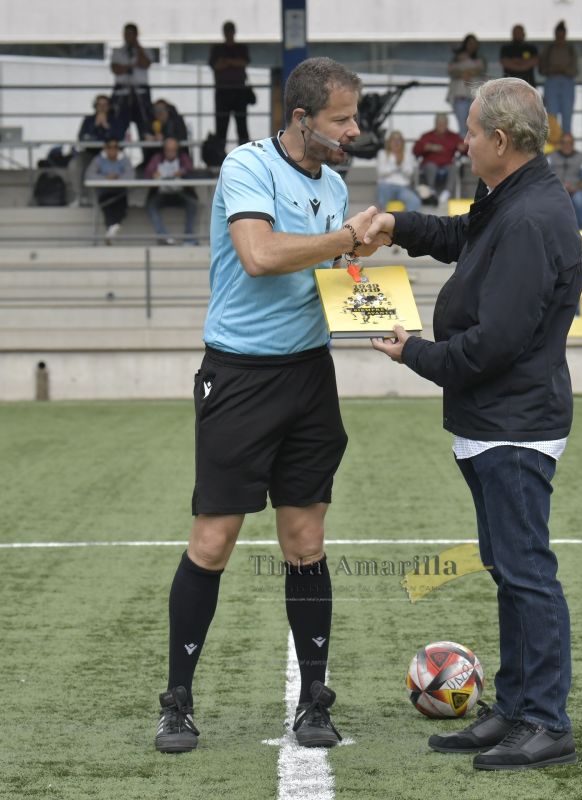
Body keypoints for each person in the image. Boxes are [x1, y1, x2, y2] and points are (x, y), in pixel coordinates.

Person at [153, 56, 379, 754]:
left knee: (305, 542)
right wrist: (346, 239)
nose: (353, 130)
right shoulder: (245, 168)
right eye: (342, 119)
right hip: (240, 378)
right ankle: (178, 701)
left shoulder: (336, 183)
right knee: (214, 542)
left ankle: (315, 699)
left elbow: (335, 275)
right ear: (302, 118)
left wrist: (377, 307)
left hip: (310, 377)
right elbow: (259, 254)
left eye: (355, 118)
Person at [364, 77, 582, 772]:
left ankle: (546, 721)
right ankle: (517, 710)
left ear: (501, 140)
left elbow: (496, 344)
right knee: (508, 569)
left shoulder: (529, 217)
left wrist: (413, 352)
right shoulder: (511, 198)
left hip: (514, 424)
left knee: (526, 574)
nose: (461, 140)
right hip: (498, 422)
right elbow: (459, 234)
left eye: (470, 130)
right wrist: (396, 225)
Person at [144, 137, 198, 245]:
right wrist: (154, 174)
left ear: (177, 150)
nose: (170, 153)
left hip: (180, 193)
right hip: (162, 193)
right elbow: (148, 172)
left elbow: (189, 168)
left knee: (192, 204)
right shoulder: (157, 158)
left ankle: (189, 237)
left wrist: (181, 172)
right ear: (164, 150)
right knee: (151, 205)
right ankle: (163, 236)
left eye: (173, 150)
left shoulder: (183, 158)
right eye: (168, 150)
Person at [209, 21, 251, 150]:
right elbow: (216, 66)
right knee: (221, 126)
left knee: (242, 126)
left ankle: (246, 155)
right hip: (223, 91)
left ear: (234, 32)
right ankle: (219, 155)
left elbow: (243, 62)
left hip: (239, 91)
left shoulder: (241, 47)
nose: (229, 34)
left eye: (230, 30)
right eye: (227, 31)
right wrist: (234, 62)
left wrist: (226, 61)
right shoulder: (217, 48)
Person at [110, 22, 154, 141]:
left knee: (144, 122)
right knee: (118, 121)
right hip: (122, 89)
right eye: (126, 34)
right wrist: (131, 66)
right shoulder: (118, 52)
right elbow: (115, 69)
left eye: (130, 34)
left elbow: (145, 64)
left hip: (140, 89)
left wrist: (137, 48)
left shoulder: (145, 51)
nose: (127, 36)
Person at [84, 139, 134, 242]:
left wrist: (117, 178)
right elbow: (89, 175)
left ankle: (111, 229)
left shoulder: (124, 160)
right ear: (105, 149)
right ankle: (112, 227)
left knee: (120, 205)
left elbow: (131, 175)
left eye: (115, 147)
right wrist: (106, 178)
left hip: (120, 192)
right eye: (110, 147)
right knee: (107, 204)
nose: (112, 150)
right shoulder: (98, 160)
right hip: (104, 192)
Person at [412, 113, 468, 205]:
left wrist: (463, 148)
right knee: (431, 165)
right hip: (430, 166)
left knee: (453, 167)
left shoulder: (453, 136)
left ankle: (447, 192)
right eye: (439, 123)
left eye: (444, 123)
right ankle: (431, 191)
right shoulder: (427, 136)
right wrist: (427, 147)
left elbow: (465, 151)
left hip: (447, 165)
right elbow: (415, 151)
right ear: (435, 124)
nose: (441, 126)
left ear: (447, 124)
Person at [539, 21, 579, 135]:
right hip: (552, 82)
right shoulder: (549, 48)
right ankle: (553, 141)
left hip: (567, 82)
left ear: (565, 34)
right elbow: (542, 68)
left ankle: (567, 140)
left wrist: (564, 70)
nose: (560, 37)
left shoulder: (570, 48)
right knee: (552, 115)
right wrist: (553, 69)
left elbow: (575, 69)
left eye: (562, 35)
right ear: (555, 34)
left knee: (567, 115)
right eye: (558, 35)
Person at [447, 34, 487, 136]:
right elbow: (451, 71)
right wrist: (463, 73)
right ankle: (464, 149)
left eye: (474, 44)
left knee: (475, 126)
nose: (472, 46)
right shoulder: (456, 58)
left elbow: (480, 70)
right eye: (470, 43)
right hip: (461, 96)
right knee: (462, 127)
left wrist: (467, 72)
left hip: (475, 97)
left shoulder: (480, 59)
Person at [548, 133, 582, 228]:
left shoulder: (581, 157)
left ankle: (580, 230)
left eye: (570, 143)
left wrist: (575, 189)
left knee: (578, 200)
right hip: (555, 190)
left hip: (576, 190)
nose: (567, 145)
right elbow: (544, 176)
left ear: (573, 144)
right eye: (564, 143)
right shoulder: (550, 157)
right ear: (560, 144)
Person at [376, 130, 421, 212]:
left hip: (403, 187)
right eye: (393, 139)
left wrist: (401, 165)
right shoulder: (382, 153)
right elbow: (381, 172)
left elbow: (409, 173)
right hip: (387, 186)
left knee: (415, 201)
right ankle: (382, 216)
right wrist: (396, 165)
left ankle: (407, 221)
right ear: (389, 142)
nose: (396, 142)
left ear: (402, 142)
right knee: (383, 189)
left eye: (399, 140)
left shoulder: (408, 155)